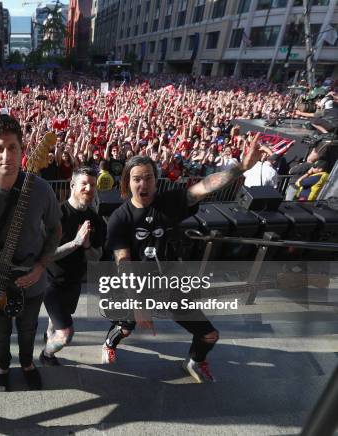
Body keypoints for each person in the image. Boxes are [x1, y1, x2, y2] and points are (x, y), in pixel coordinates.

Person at [100, 133, 264, 383]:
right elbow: (124, 262)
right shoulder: (119, 219)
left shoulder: (170, 202)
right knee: (125, 327)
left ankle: (195, 361)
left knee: (210, 335)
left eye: (148, 178)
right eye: (136, 179)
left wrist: (240, 167)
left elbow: (205, 187)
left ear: (156, 180)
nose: (143, 184)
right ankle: (110, 343)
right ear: (127, 183)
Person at [0, 114, 62, 392]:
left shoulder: (41, 189)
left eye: (13, 147)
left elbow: (55, 230)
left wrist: (41, 266)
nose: (7, 155)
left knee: (28, 328)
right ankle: (2, 366)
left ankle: (28, 364)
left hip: (30, 279)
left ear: (23, 150)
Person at [40, 167, 105, 366]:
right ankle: (46, 355)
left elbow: (96, 257)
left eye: (92, 185)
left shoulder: (97, 221)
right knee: (66, 334)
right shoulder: (56, 215)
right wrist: (75, 242)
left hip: (74, 283)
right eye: (84, 183)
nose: (88, 188)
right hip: (49, 283)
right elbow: (45, 256)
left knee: (57, 321)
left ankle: (49, 333)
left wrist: (86, 246)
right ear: (72, 185)